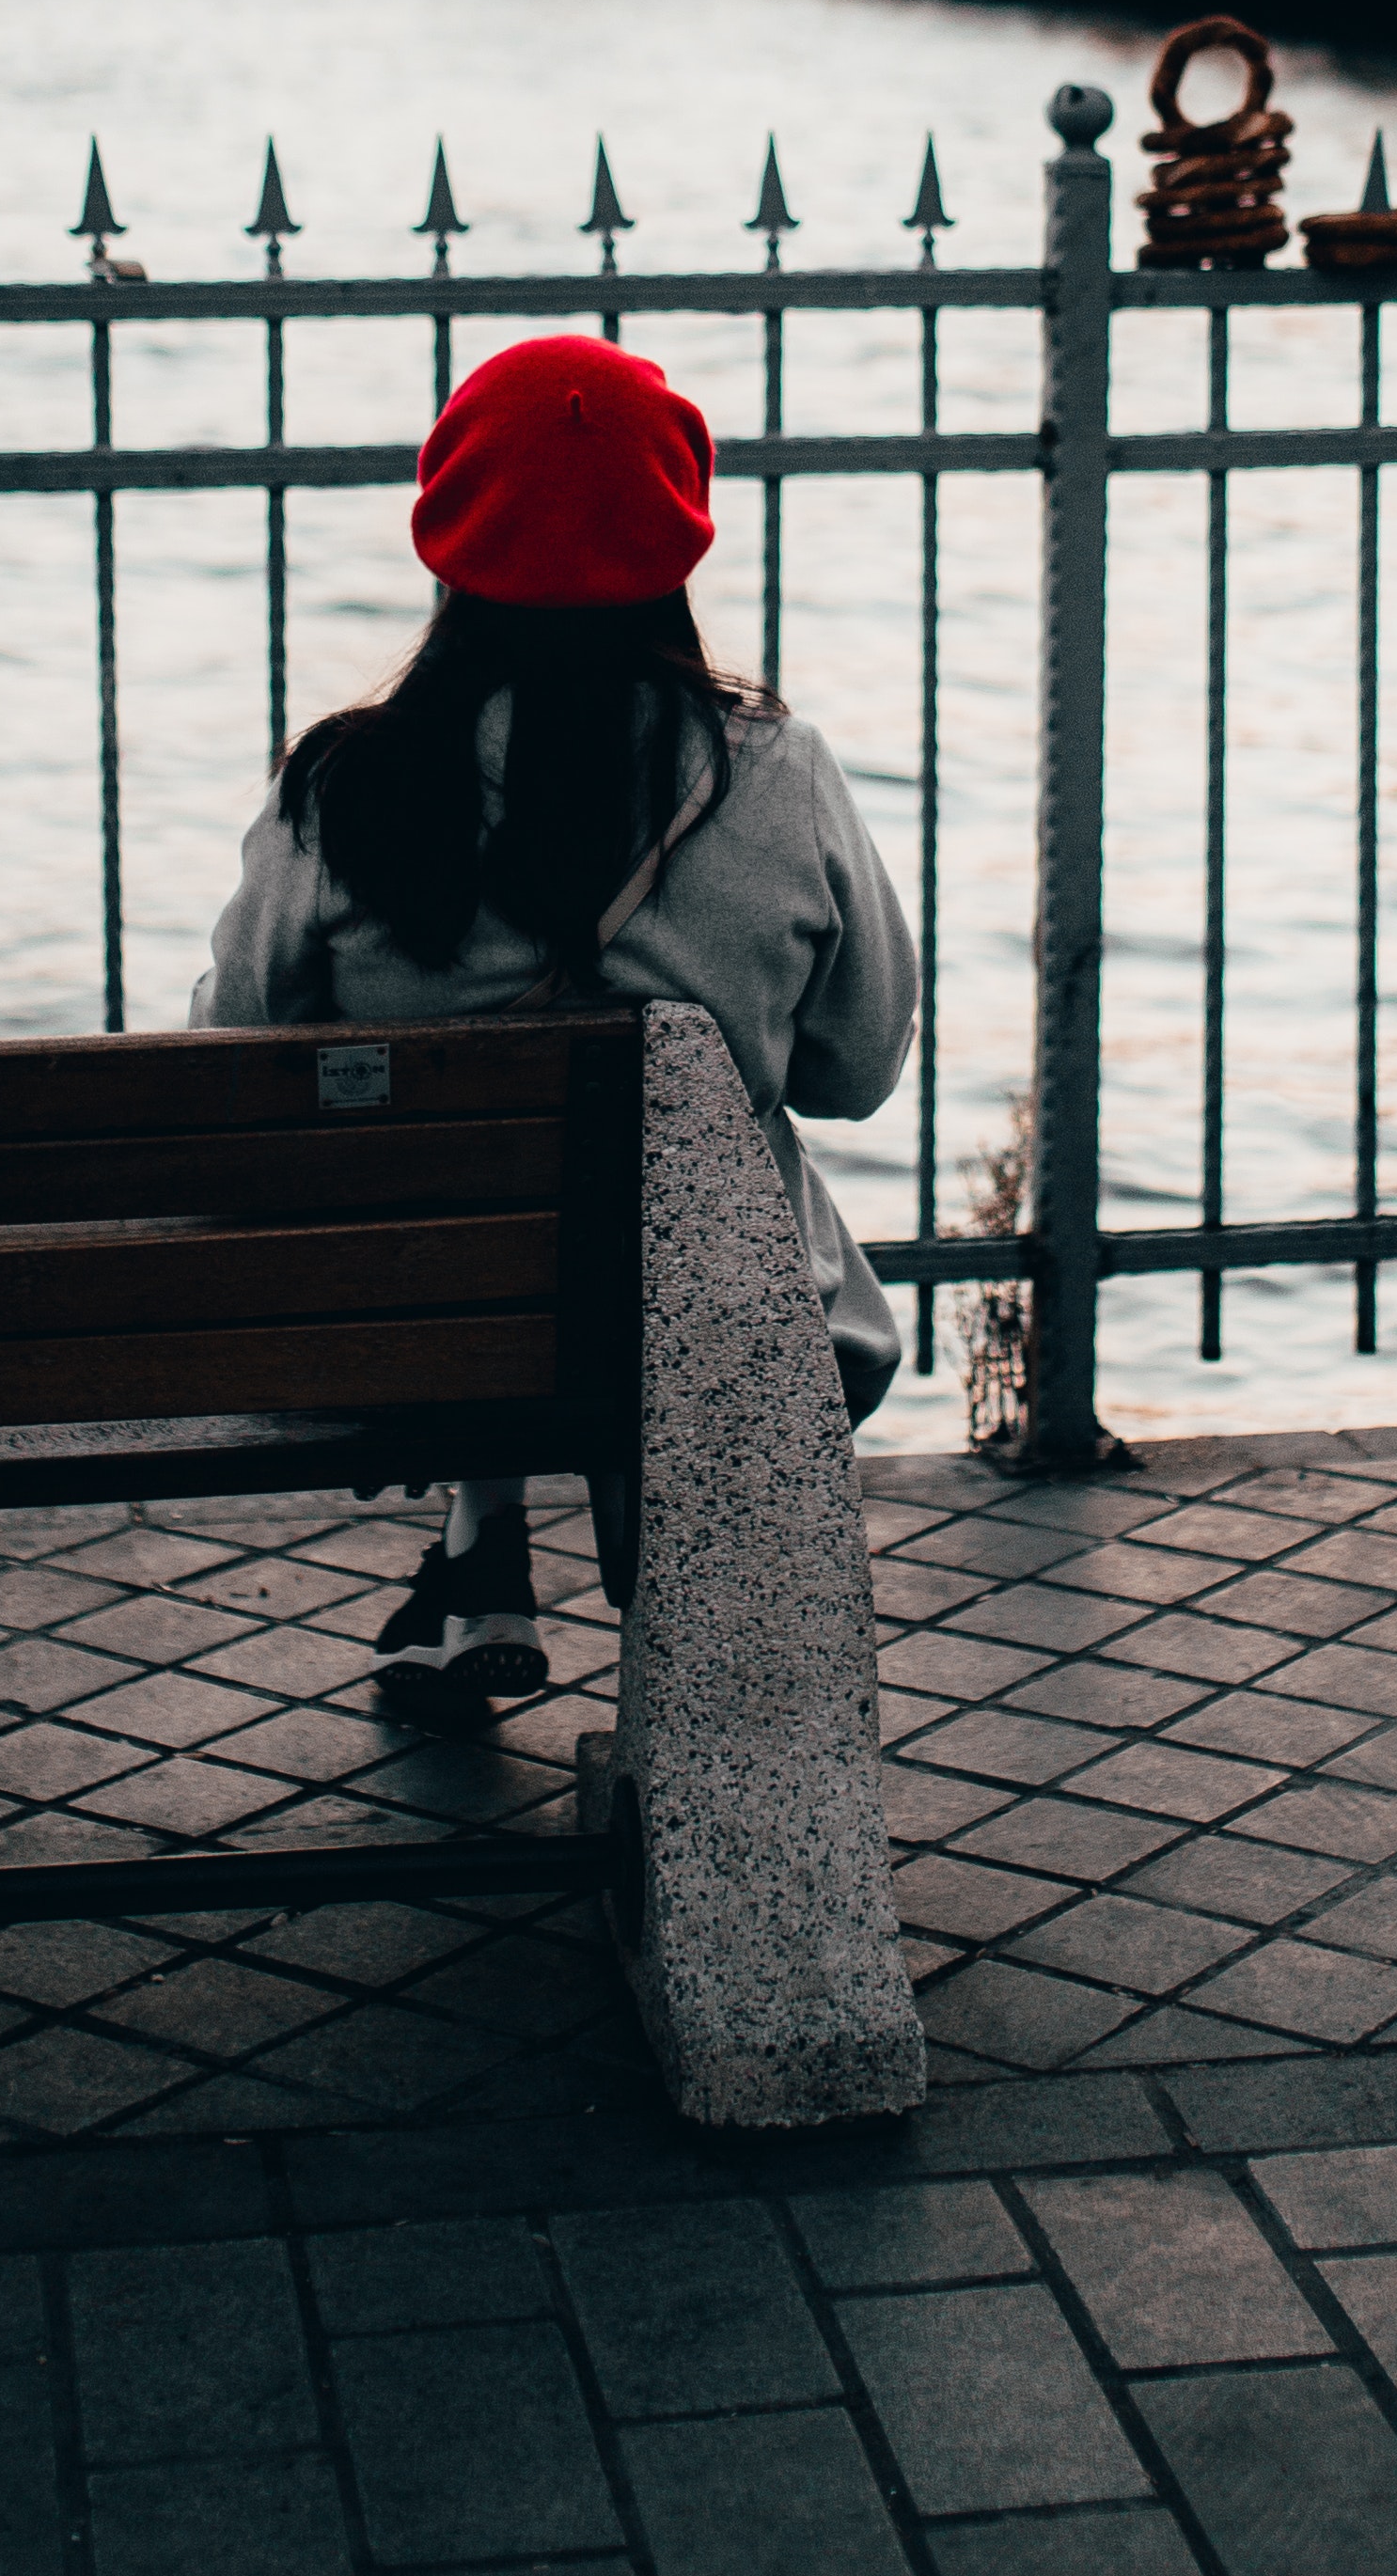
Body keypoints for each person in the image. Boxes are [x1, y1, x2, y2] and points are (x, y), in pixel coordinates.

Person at [191, 332, 918, 1725]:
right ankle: (663, 1623)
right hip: (719, 1340)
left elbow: (239, 1063)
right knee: (693, 1174)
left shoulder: (347, 789)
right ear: (681, 536)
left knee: (484, 1222)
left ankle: (479, 1552)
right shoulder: (779, 775)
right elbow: (857, 1067)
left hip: (412, 1342)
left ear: (447, 533)